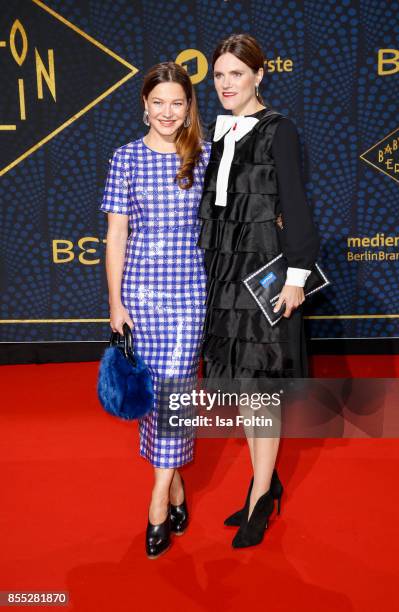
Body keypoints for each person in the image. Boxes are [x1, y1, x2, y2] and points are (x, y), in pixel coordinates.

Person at [198, 34, 320, 548]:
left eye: (236, 74)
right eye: (219, 75)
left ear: (259, 75)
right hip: (224, 274)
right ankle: (263, 484)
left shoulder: (279, 130)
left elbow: (294, 201)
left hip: (263, 274)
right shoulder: (218, 135)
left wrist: (297, 275)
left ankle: (261, 494)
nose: (226, 84)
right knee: (246, 391)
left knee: (260, 389)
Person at [100, 62, 211, 559]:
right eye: (159, 102)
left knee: (176, 389)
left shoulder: (204, 156)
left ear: (189, 108)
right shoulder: (124, 158)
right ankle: (178, 487)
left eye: (178, 103)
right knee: (156, 395)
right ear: (144, 104)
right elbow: (117, 233)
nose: (168, 112)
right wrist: (114, 301)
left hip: (189, 293)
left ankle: (156, 506)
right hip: (141, 294)